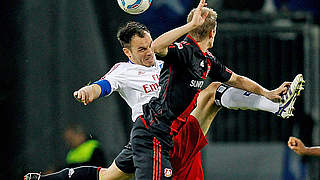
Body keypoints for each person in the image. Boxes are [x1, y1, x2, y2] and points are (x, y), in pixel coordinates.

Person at [24, 1, 304, 179]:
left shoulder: (172, 62)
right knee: (212, 94)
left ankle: (275, 105)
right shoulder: (127, 69)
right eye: (141, 49)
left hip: (171, 133)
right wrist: (89, 91)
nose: (149, 53)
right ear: (127, 51)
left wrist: (267, 92)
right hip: (154, 135)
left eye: (149, 46)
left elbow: (237, 79)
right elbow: (103, 86)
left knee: (107, 176)